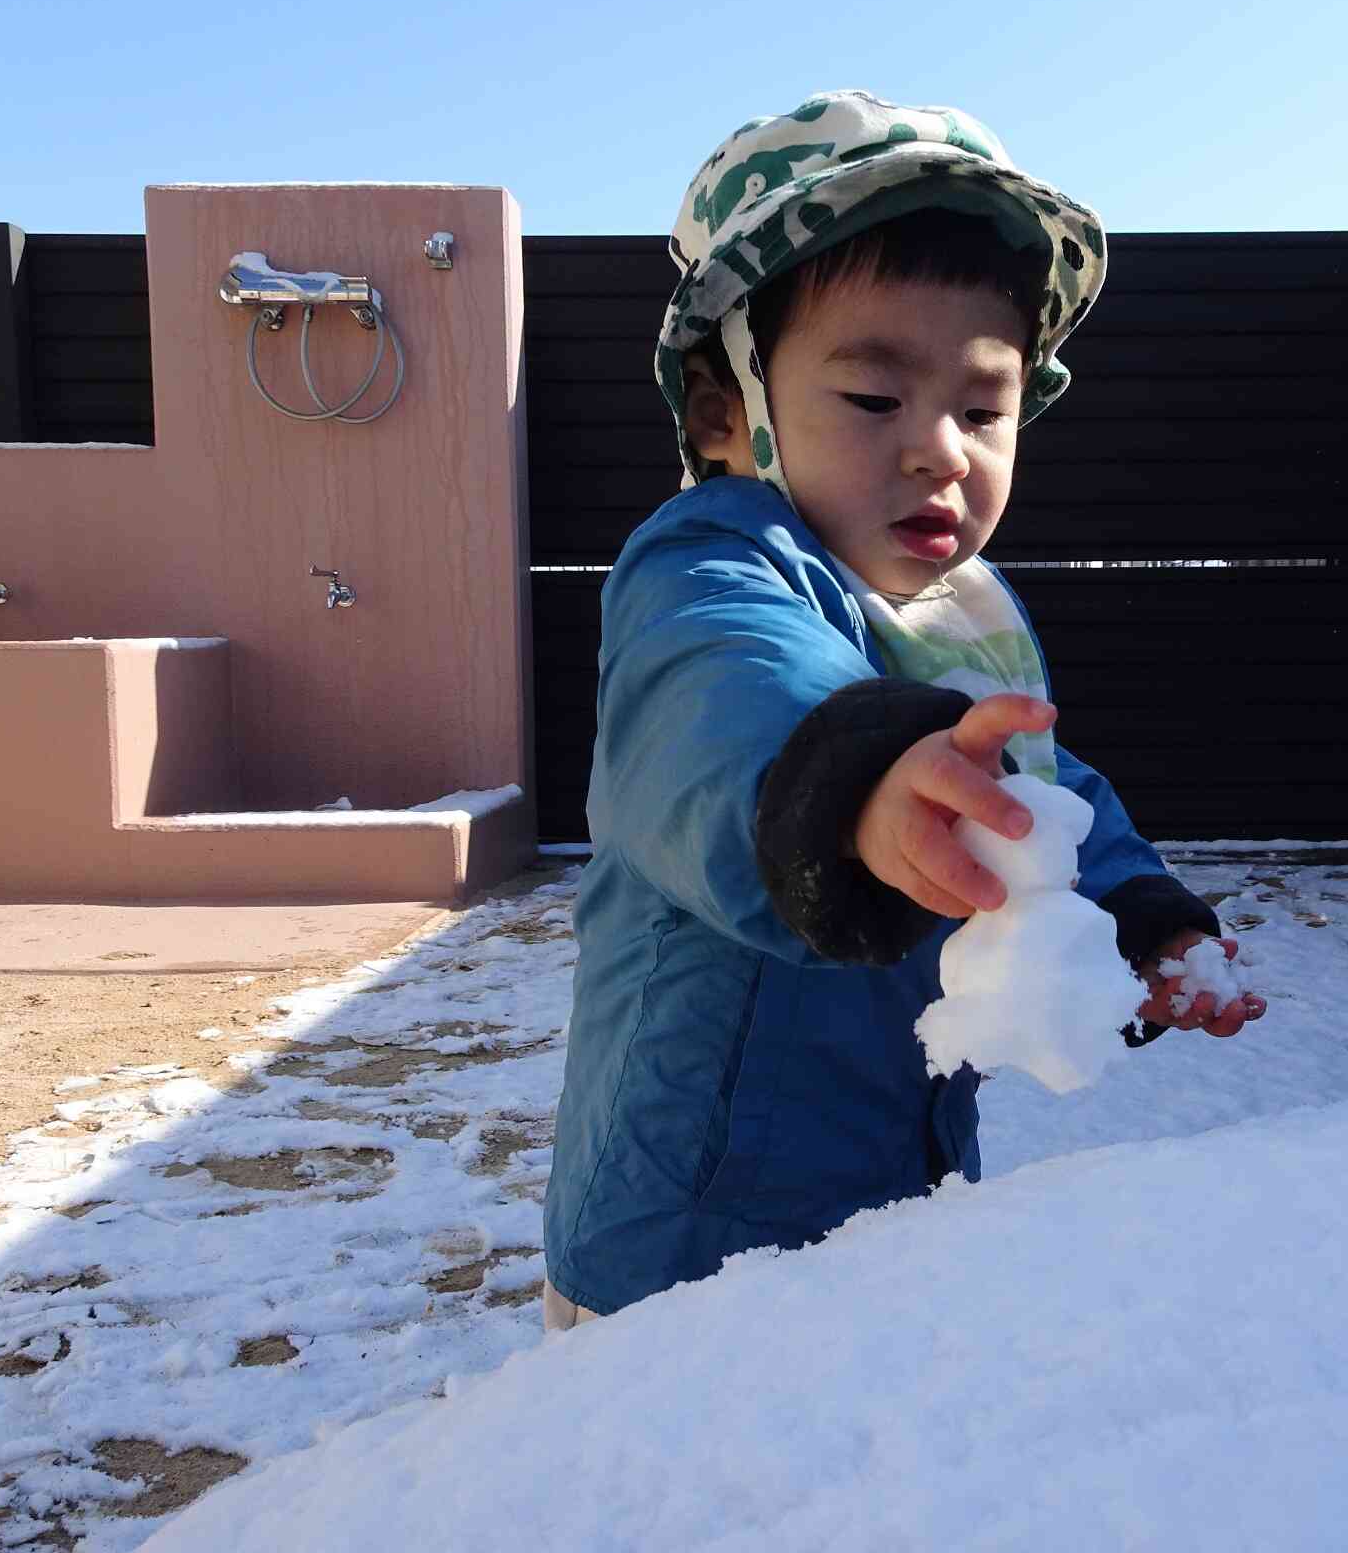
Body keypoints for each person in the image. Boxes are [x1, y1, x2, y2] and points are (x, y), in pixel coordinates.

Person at [541, 91, 1265, 1328]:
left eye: (984, 409)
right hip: (682, 1248)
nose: (942, 450)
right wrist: (862, 789)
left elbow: (1046, 789)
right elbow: (731, 695)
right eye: (875, 400)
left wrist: (1138, 912)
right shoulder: (708, 570)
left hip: (893, 1205)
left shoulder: (950, 618)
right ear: (729, 413)